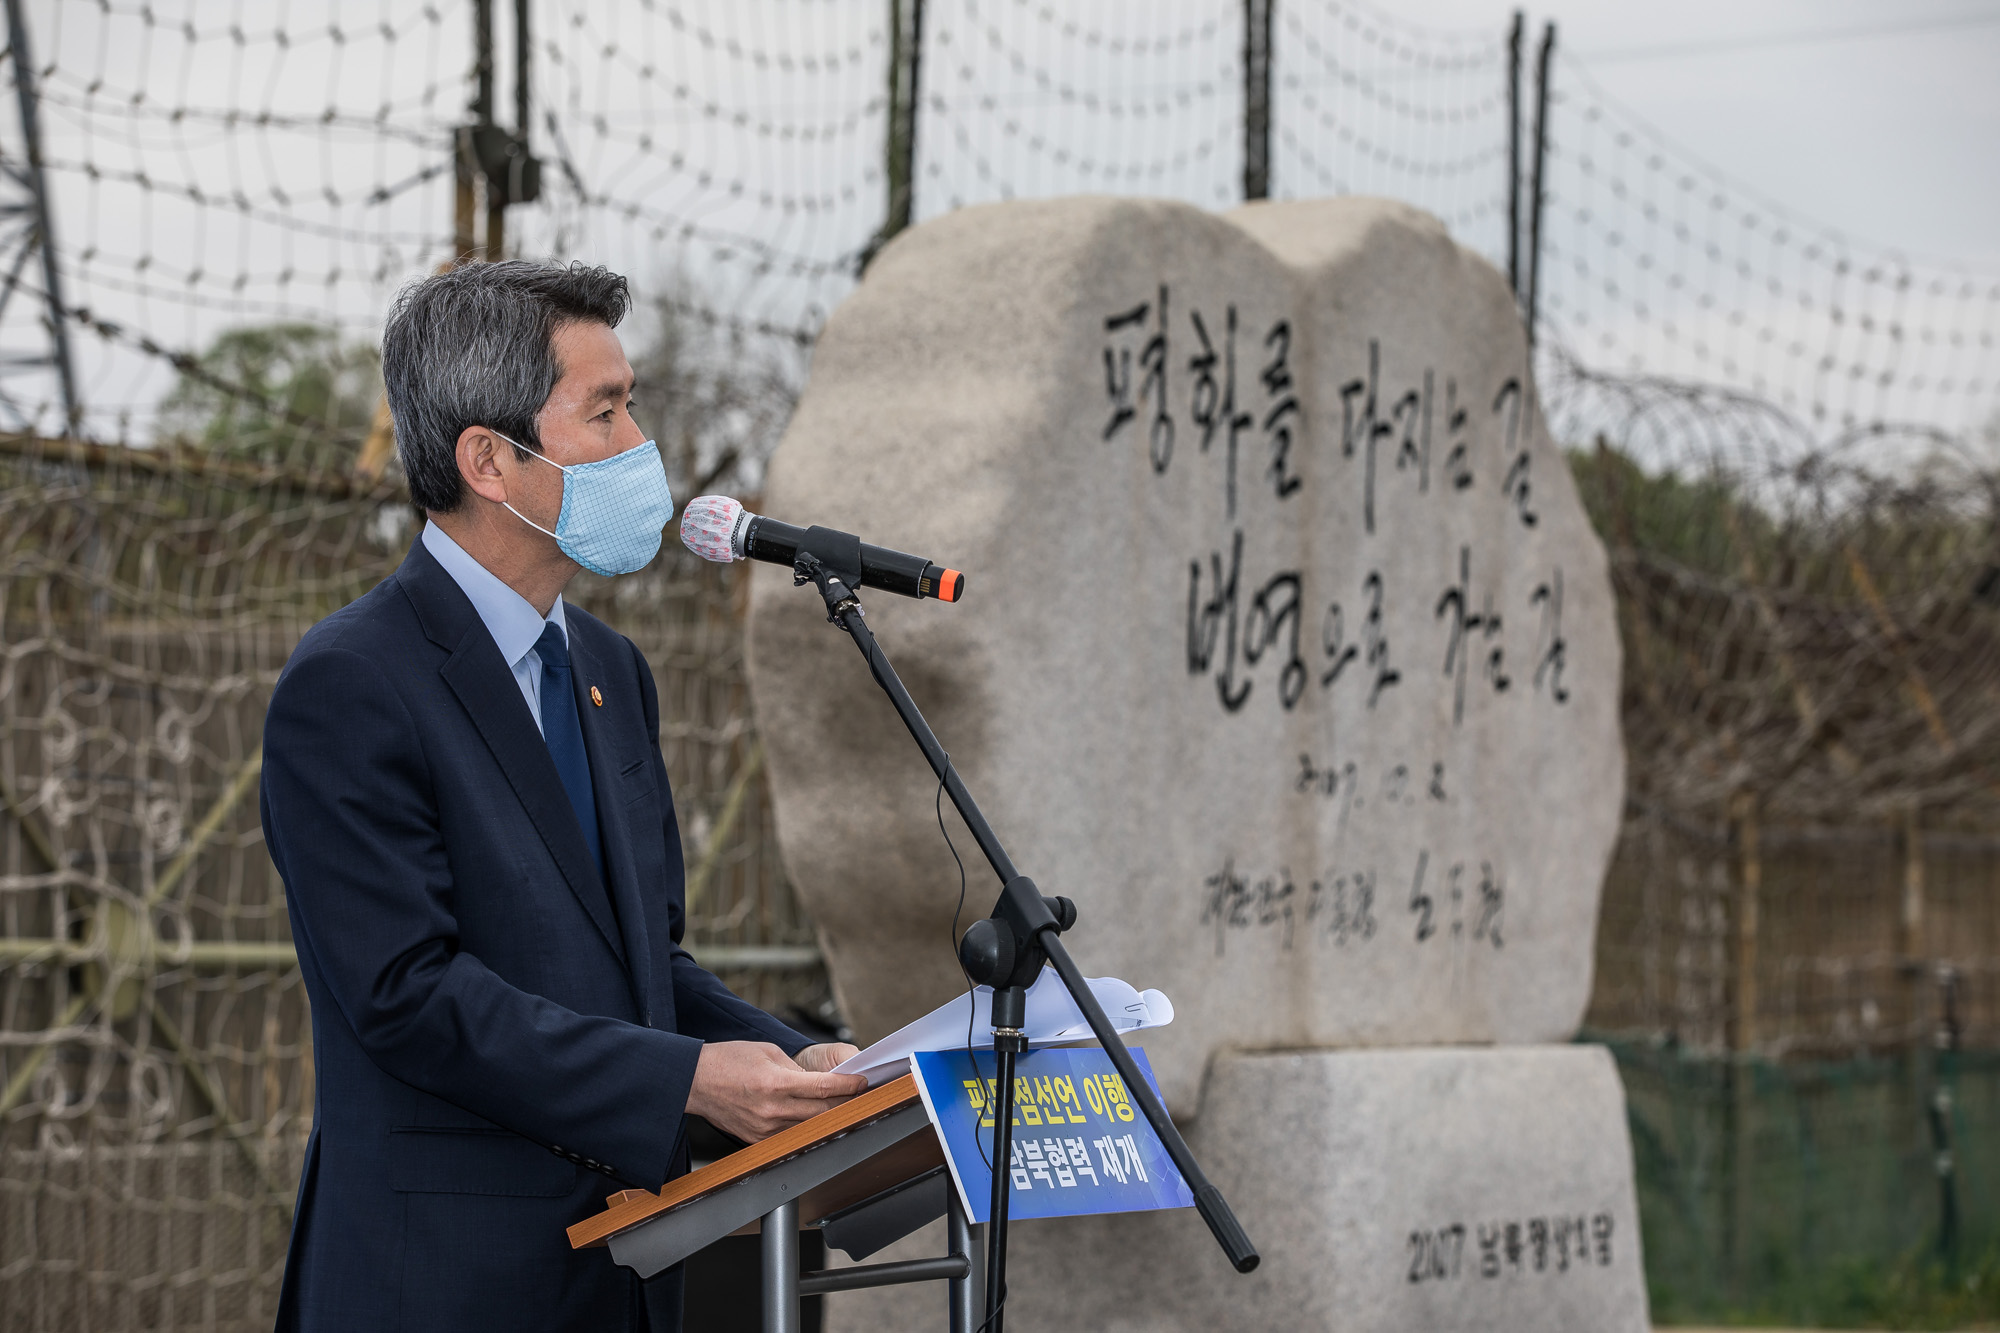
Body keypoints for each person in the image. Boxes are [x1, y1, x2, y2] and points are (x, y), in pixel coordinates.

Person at [259, 260, 866, 1331]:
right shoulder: (352, 681)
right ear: (488, 461)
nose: (643, 446)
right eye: (606, 410)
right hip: (438, 1281)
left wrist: (796, 1064)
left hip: (622, 1268)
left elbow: (646, 964)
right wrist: (684, 1080)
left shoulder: (608, 669)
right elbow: (407, 993)